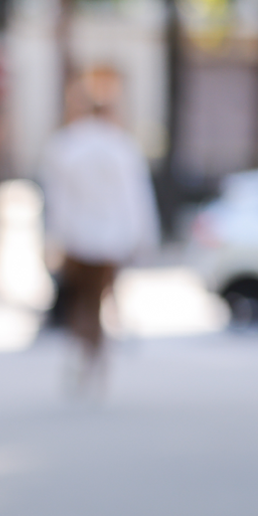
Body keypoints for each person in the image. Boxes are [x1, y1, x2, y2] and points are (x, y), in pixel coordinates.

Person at [39, 80, 159, 394]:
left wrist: (54, 237)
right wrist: (142, 238)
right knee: (99, 299)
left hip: (77, 239)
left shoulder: (66, 146)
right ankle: (97, 360)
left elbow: (58, 201)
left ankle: (84, 356)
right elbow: (135, 199)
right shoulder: (121, 147)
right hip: (110, 240)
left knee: (82, 301)